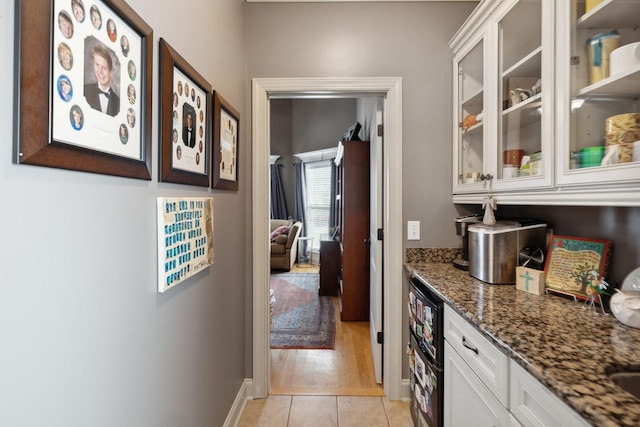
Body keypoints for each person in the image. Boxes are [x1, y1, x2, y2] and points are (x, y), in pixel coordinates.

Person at [84, 43, 120, 116]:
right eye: (97, 65)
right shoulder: (85, 90)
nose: (100, 71)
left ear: (111, 72)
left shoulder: (118, 101)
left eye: (104, 68)